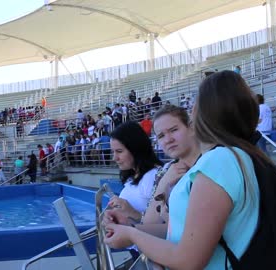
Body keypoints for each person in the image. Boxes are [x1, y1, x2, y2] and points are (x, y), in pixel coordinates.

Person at [104, 71, 265, 269]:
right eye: (161, 135)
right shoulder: (237, 156)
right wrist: (131, 226)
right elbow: (178, 232)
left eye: (174, 129)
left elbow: (190, 259)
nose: (193, 111)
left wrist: (132, 234)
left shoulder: (218, 161)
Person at [104, 105, 201, 235]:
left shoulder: (210, 164)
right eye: (161, 135)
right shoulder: (165, 172)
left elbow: (188, 230)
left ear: (191, 127)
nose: (168, 139)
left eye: (174, 130)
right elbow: (149, 223)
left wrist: (130, 227)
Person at [108, 121, 162, 258]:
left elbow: (167, 226)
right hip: (138, 250)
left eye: (119, 151)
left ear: (136, 148)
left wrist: (131, 212)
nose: (115, 158)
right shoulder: (133, 176)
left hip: (151, 255)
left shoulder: (153, 177)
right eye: (113, 152)